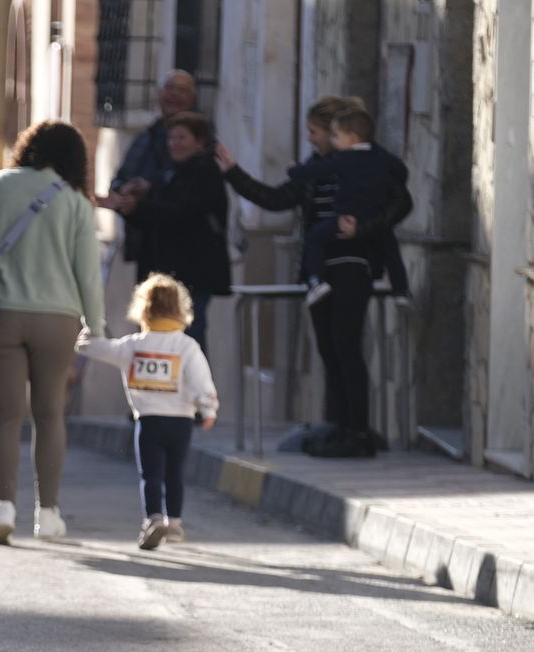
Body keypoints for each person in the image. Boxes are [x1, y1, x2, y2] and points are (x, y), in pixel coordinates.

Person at [215, 96, 414, 459]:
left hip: (353, 264)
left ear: (336, 133)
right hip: (320, 270)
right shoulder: (315, 169)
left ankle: (358, 430)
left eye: (315, 133)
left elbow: (399, 205)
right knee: (330, 350)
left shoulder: (369, 165)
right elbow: (275, 199)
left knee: (347, 345)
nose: (311, 140)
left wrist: (363, 228)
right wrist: (233, 172)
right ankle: (341, 426)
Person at [0, 119, 104, 544]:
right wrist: (95, 327)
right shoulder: (77, 204)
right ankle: (49, 514)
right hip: (58, 318)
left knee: (5, 416)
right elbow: (88, 275)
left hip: (1, 311)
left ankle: (2, 508)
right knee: (49, 415)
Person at [77, 274, 218, 551]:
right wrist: (208, 408)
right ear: (180, 309)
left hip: (148, 421)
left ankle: (153, 519)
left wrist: (86, 334)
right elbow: (202, 381)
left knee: (150, 475)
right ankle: (175, 524)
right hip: (181, 422)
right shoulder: (187, 346)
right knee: (175, 473)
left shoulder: (133, 345)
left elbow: (93, 347)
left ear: (143, 309)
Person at [106, 112, 231, 354]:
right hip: (167, 274)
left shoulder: (204, 173)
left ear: (200, 141)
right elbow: (156, 214)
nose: (174, 143)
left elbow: (182, 214)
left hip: (193, 274)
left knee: (187, 342)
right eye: (171, 137)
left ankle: (193, 392)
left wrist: (138, 206)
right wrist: (128, 206)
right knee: (161, 344)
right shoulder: (170, 173)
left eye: (182, 137)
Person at [285, 108, 411, 306]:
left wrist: (294, 171)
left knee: (314, 237)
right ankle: (401, 291)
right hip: (375, 218)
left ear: (352, 138)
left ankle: (316, 282)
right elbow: (401, 170)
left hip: (346, 218)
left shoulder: (344, 159)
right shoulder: (382, 158)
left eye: (336, 136)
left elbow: (318, 170)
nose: (333, 141)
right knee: (391, 251)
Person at [102, 71, 198, 276]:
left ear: (192, 98)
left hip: (185, 253)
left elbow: (187, 191)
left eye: (182, 90)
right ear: (159, 94)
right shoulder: (146, 138)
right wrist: (125, 191)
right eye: (170, 88)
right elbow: (120, 180)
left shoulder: (201, 144)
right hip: (147, 248)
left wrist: (150, 187)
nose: (174, 95)